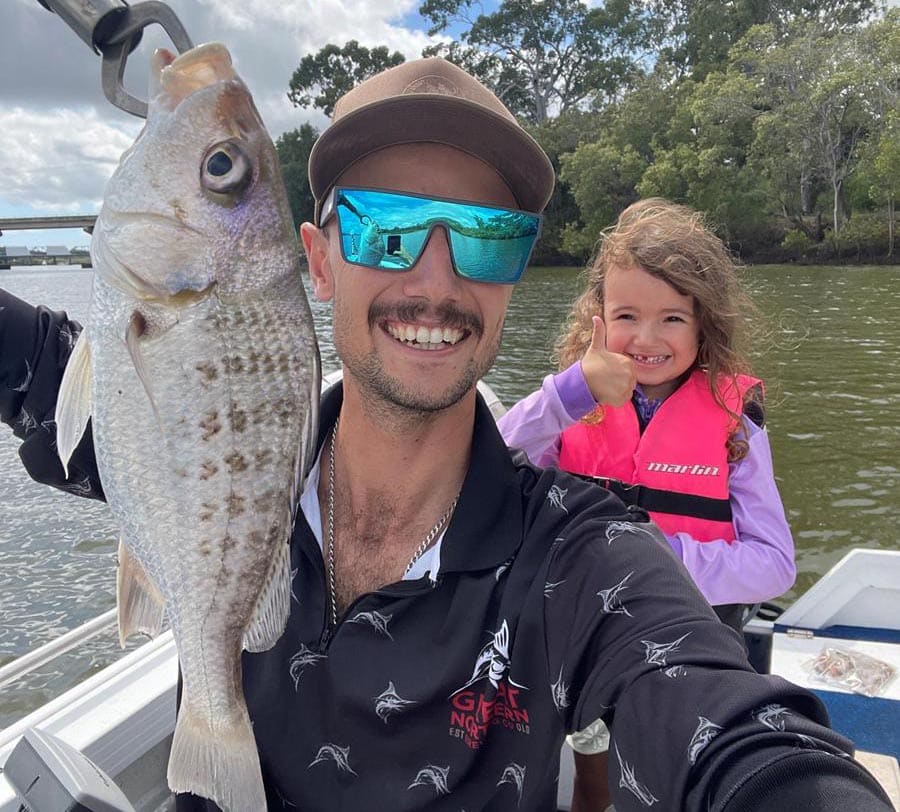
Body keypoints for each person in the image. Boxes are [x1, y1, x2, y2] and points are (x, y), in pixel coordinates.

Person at [0, 58, 892, 812]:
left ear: (515, 275)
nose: (435, 280)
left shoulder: (580, 556)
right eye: (385, 230)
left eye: (486, 238)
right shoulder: (186, 432)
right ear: (316, 259)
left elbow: (730, 727)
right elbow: (31, 360)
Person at [497, 198, 797, 811]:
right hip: (583, 634)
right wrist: (568, 393)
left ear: (704, 323)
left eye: (673, 319)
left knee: (662, 771)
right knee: (592, 766)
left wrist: (653, 559)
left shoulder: (736, 422)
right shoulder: (572, 401)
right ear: (599, 317)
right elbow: (495, 461)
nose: (647, 339)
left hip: (686, 644)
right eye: (627, 315)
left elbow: (775, 564)